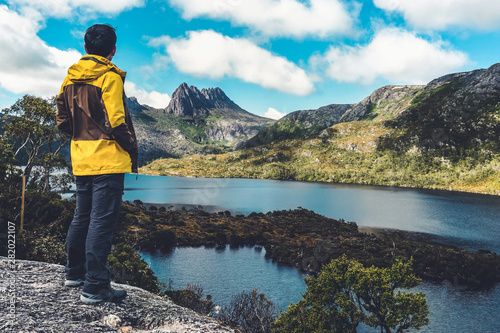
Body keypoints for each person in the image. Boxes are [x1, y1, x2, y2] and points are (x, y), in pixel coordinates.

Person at [56, 24, 138, 304]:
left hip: (81, 159)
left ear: (86, 47)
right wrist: (129, 146)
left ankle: (74, 273)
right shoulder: (110, 77)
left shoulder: (69, 79)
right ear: (113, 51)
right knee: (101, 222)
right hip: (108, 161)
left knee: (82, 217)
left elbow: (62, 121)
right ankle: (95, 286)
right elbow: (117, 121)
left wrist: (80, 138)